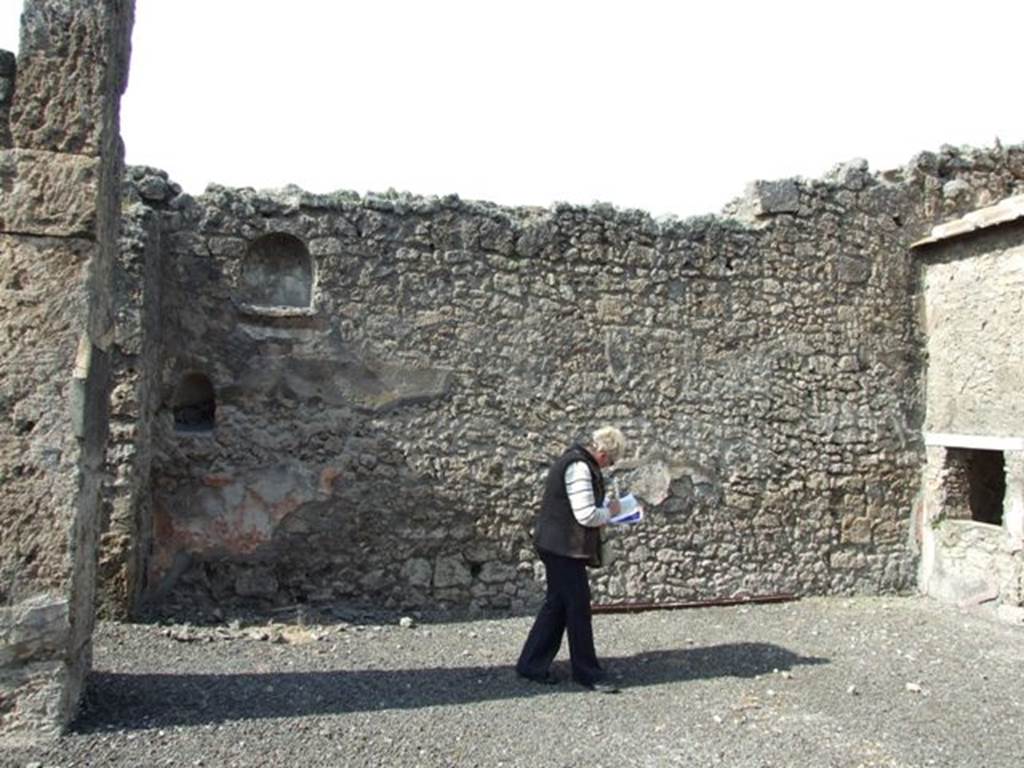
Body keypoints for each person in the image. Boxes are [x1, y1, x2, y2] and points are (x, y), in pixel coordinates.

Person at [515, 425, 627, 694]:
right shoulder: (579, 468)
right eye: (610, 461)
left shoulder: (576, 462)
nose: (607, 467)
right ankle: (587, 673)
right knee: (577, 608)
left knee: (557, 604)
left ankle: (531, 663)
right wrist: (611, 512)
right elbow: (586, 514)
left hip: (556, 545)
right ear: (603, 453)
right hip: (562, 548)